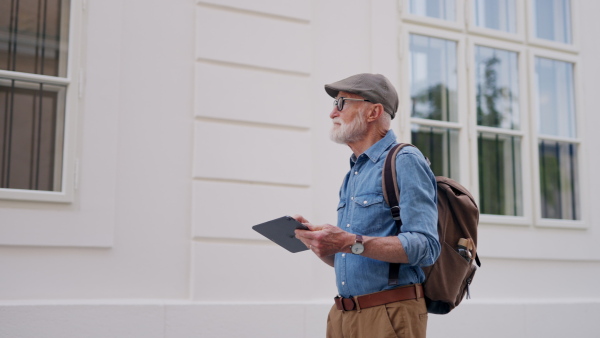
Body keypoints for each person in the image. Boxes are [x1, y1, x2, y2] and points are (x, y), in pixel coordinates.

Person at [294, 73, 440, 338]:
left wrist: (347, 241)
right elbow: (357, 252)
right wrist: (320, 243)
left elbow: (426, 246)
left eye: (341, 103)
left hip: (389, 314)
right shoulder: (353, 173)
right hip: (342, 316)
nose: (331, 113)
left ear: (374, 111)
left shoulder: (404, 159)